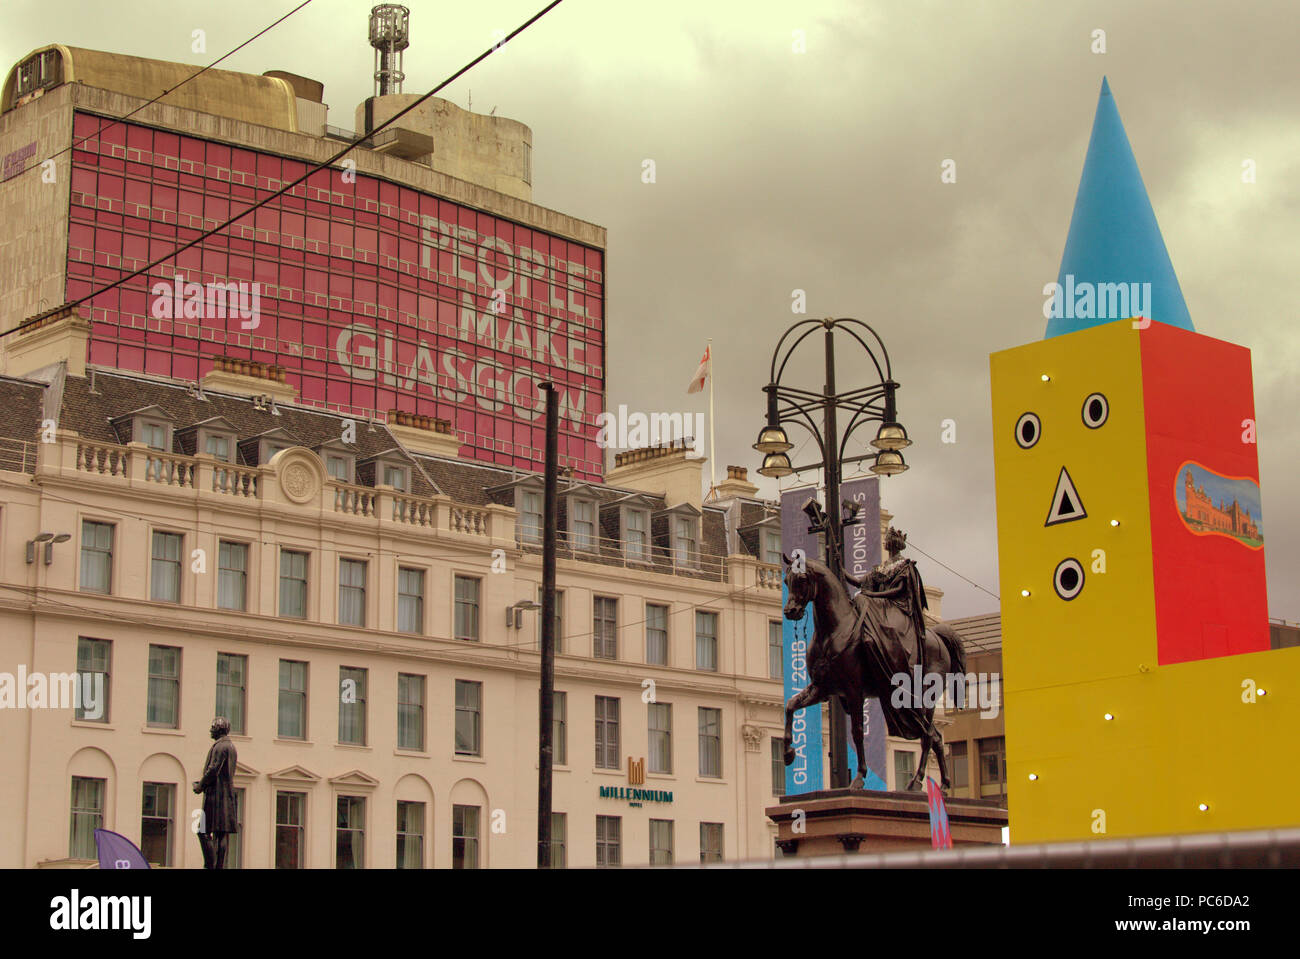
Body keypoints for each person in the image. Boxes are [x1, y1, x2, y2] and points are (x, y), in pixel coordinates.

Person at [193, 716, 239, 869]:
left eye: (212, 728)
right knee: (221, 833)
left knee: (203, 831)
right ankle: (218, 865)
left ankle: (211, 865)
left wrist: (200, 786)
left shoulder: (220, 747)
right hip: (227, 796)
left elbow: (213, 770)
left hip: (216, 795)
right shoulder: (230, 746)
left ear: (219, 729)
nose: (210, 731)